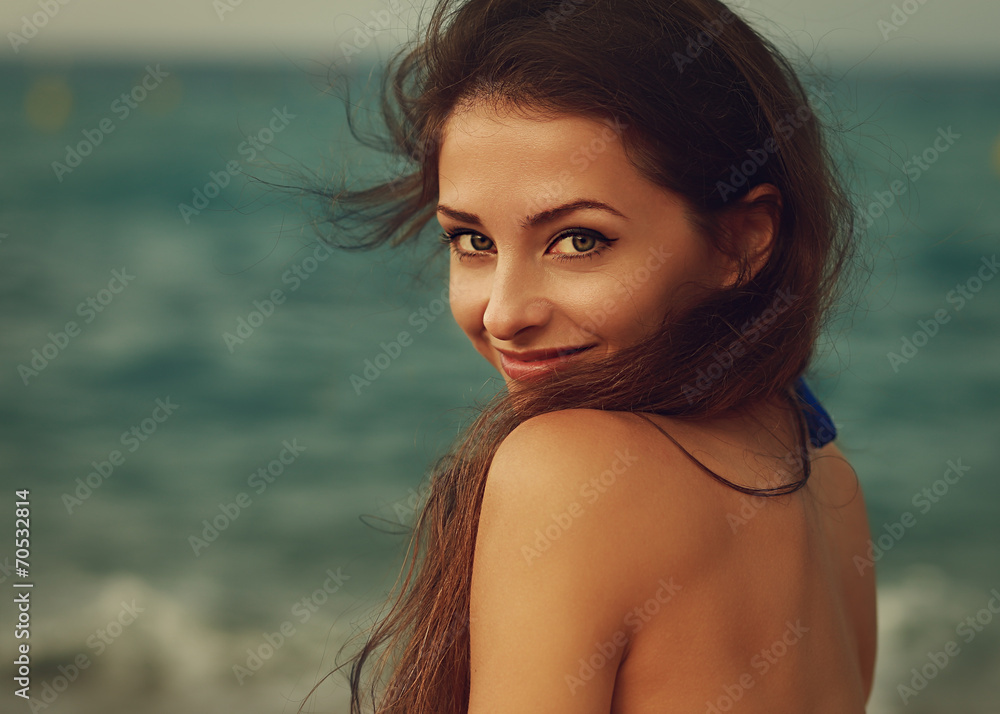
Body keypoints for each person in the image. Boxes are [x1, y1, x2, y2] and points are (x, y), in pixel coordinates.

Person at [297, 0, 876, 711]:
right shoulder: (822, 468)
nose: (505, 313)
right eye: (471, 241)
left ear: (740, 241)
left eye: (578, 240)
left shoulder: (567, 470)